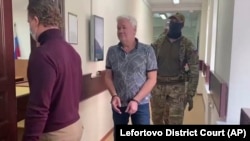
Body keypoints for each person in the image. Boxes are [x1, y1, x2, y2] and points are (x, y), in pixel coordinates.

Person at [23, 0, 83, 140]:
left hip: (55, 133)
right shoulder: (72, 52)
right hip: (75, 126)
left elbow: (38, 108)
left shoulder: (42, 54)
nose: (30, 27)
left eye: (29, 22)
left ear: (36, 20)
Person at [105, 15, 158, 127]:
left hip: (141, 103)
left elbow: (152, 79)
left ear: (134, 30)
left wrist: (136, 100)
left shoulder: (147, 51)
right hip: (119, 102)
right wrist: (114, 95)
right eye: (118, 28)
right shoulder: (112, 51)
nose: (120, 31)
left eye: (124, 27)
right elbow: (108, 77)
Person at [150, 12, 199, 125]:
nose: (173, 24)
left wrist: (190, 94)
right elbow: (149, 66)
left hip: (177, 88)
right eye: (172, 21)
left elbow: (194, 71)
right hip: (158, 87)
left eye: (177, 22)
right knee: (157, 120)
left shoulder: (188, 45)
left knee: (174, 122)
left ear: (182, 25)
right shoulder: (158, 43)